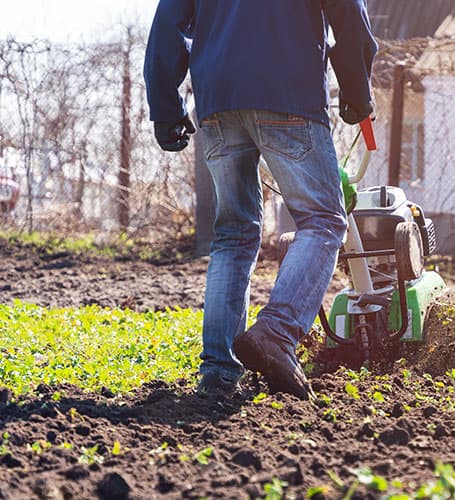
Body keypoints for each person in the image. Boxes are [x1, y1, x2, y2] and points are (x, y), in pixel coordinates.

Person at [144, 0, 377, 400]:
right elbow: (348, 11)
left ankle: (218, 369)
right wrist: (357, 88)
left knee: (233, 235)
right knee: (323, 220)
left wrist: (166, 106)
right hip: (288, 91)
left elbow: (168, 20)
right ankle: (279, 331)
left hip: (217, 100)